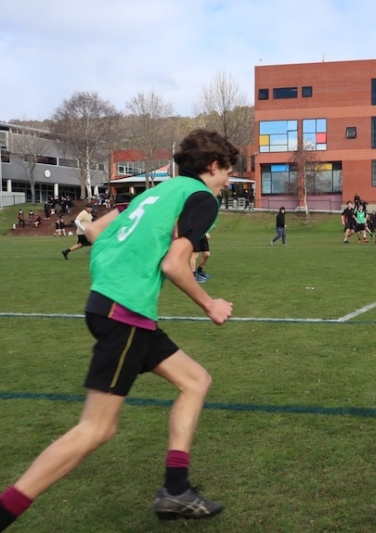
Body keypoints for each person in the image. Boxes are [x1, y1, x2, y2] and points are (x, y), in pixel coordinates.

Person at [0, 129, 238, 531]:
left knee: (195, 381)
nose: (228, 181)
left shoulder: (151, 193)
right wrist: (210, 303)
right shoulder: (201, 198)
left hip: (111, 305)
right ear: (213, 167)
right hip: (123, 311)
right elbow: (175, 265)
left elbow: (93, 232)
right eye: (228, 172)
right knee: (96, 428)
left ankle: (176, 489)